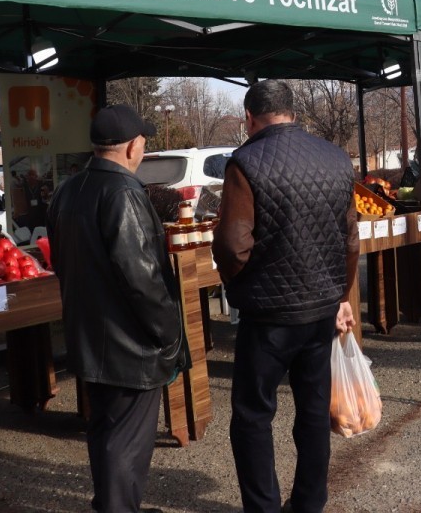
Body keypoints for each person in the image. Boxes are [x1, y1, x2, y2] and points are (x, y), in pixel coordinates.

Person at [214, 79, 359, 513]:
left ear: (249, 118)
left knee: (254, 416)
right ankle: (310, 502)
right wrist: (342, 295)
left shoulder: (245, 162)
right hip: (321, 310)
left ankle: (264, 507)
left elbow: (231, 246)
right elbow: (350, 239)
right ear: (293, 112)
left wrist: (241, 286)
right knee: (314, 411)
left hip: (269, 315)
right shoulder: (335, 158)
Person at [47, 104, 187, 513]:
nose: (143, 147)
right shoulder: (123, 192)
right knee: (125, 442)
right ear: (131, 147)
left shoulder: (69, 189)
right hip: (129, 345)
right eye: (142, 141)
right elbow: (142, 279)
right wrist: (169, 334)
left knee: (106, 433)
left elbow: (61, 260)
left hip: (90, 335)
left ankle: (112, 504)